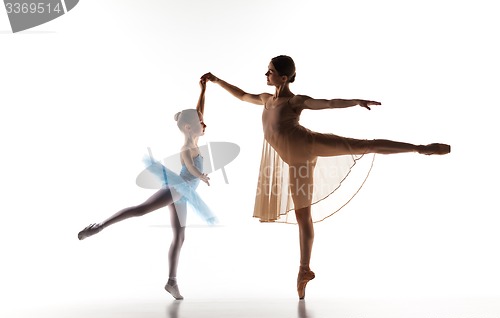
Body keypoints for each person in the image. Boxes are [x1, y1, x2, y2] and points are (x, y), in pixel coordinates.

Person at [201, 55, 450, 299]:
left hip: (309, 144)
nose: (266, 75)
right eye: (267, 70)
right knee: (303, 217)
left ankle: (421, 148)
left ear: (284, 78)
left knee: (366, 145)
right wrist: (216, 80)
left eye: (270, 71)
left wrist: (355, 101)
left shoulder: (294, 101)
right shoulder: (266, 99)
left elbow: (328, 103)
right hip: (297, 162)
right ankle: (304, 270)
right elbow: (242, 95)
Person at [77, 79, 215, 300]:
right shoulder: (187, 146)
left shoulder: (195, 136)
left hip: (184, 196)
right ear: (189, 127)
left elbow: (199, 111)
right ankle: (99, 226)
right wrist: (201, 176)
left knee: (180, 237)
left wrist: (204, 89)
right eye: (201, 122)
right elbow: (189, 167)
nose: (205, 123)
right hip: (178, 188)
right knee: (141, 210)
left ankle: (172, 282)